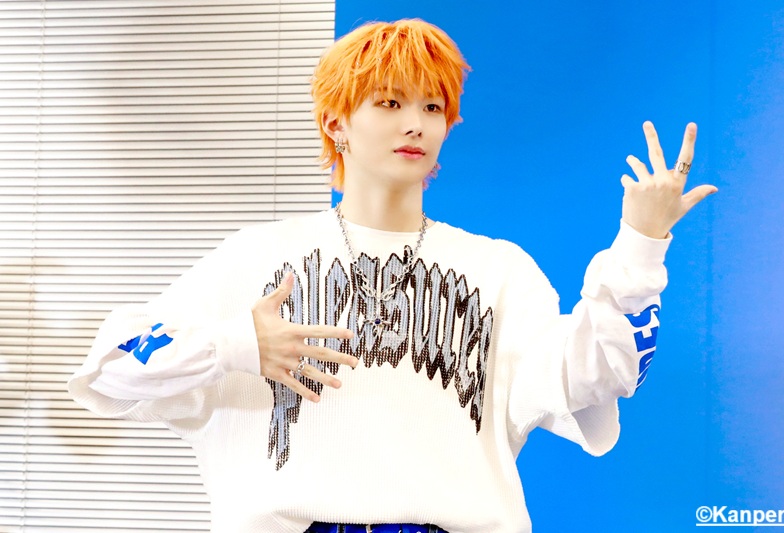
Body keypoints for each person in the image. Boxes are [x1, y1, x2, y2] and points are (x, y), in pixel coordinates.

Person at [68, 19, 716, 533]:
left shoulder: (499, 271)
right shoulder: (255, 258)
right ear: (336, 123)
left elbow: (603, 371)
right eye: (390, 101)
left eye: (433, 106)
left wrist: (641, 244)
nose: (416, 123)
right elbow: (110, 366)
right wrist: (238, 344)